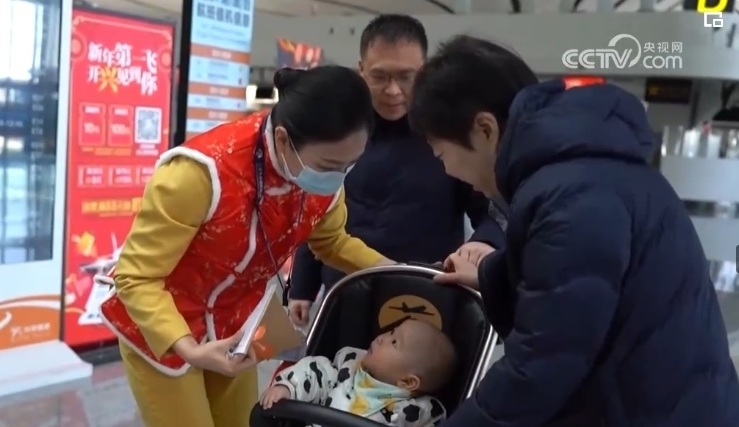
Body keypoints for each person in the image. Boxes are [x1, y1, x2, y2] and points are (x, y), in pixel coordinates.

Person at [409, 35, 739, 426]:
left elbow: (540, 367)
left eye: (441, 154)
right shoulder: (582, 173)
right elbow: (577, 287)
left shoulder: (571, 198)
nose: (448, 171)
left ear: (485, 129)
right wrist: (492, 273)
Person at [99, 65, 398, 427]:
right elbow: (136, 278)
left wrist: (397, 271)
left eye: (350, 165)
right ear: (284, 140)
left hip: (239, 326)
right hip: (164, 325)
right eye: (330, 165)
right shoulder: (199, 174)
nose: (338, 177)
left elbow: (332, 241)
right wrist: (188, 348)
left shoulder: (322, 173)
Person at [288, 15, 503, 327]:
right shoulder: (338, 130)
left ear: (425, 71)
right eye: (380, 76)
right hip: (345, 293)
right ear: (361, 70)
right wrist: (302, 286)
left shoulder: (451, 134)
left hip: (427, 296)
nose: (393, 90)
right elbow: (316, 210)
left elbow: (493, 211)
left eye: (406, 76)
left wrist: (483, 244)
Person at [259, 319, 454, 426]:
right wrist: (288, 387)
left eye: (394, 342)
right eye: (391, 332)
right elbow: (315, 373)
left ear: (408, 382)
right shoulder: (348, 367)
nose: (382, 338)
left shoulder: (416, 415)